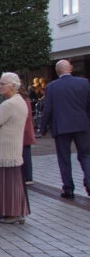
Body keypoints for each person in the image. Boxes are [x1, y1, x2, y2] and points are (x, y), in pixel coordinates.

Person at [38, 59, 90, 199]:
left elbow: (47, 109)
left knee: (64, 158)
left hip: (61, 127)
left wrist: (42, 128)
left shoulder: (52, 87)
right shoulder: (84, 83)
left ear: (57, 71)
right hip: (82, 125)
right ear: (71, 68)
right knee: (86, 155)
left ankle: (68, 188)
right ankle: (89, 183)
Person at [0, 73, 30, 224]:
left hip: (6, 151)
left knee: (8, 184)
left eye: (2, 84)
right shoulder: (19, 101)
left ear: (13, 86)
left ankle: (12, 212)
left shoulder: (9, 104)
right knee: (4, 183)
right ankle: (2, 210)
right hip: (9, 150)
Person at [20, 86, 36, 185]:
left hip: (23, 131)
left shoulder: (21, 102)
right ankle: (28, 176)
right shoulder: (27, 101)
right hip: (27, 131)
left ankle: (27, 176)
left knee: (24, 155)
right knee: (26, 154)